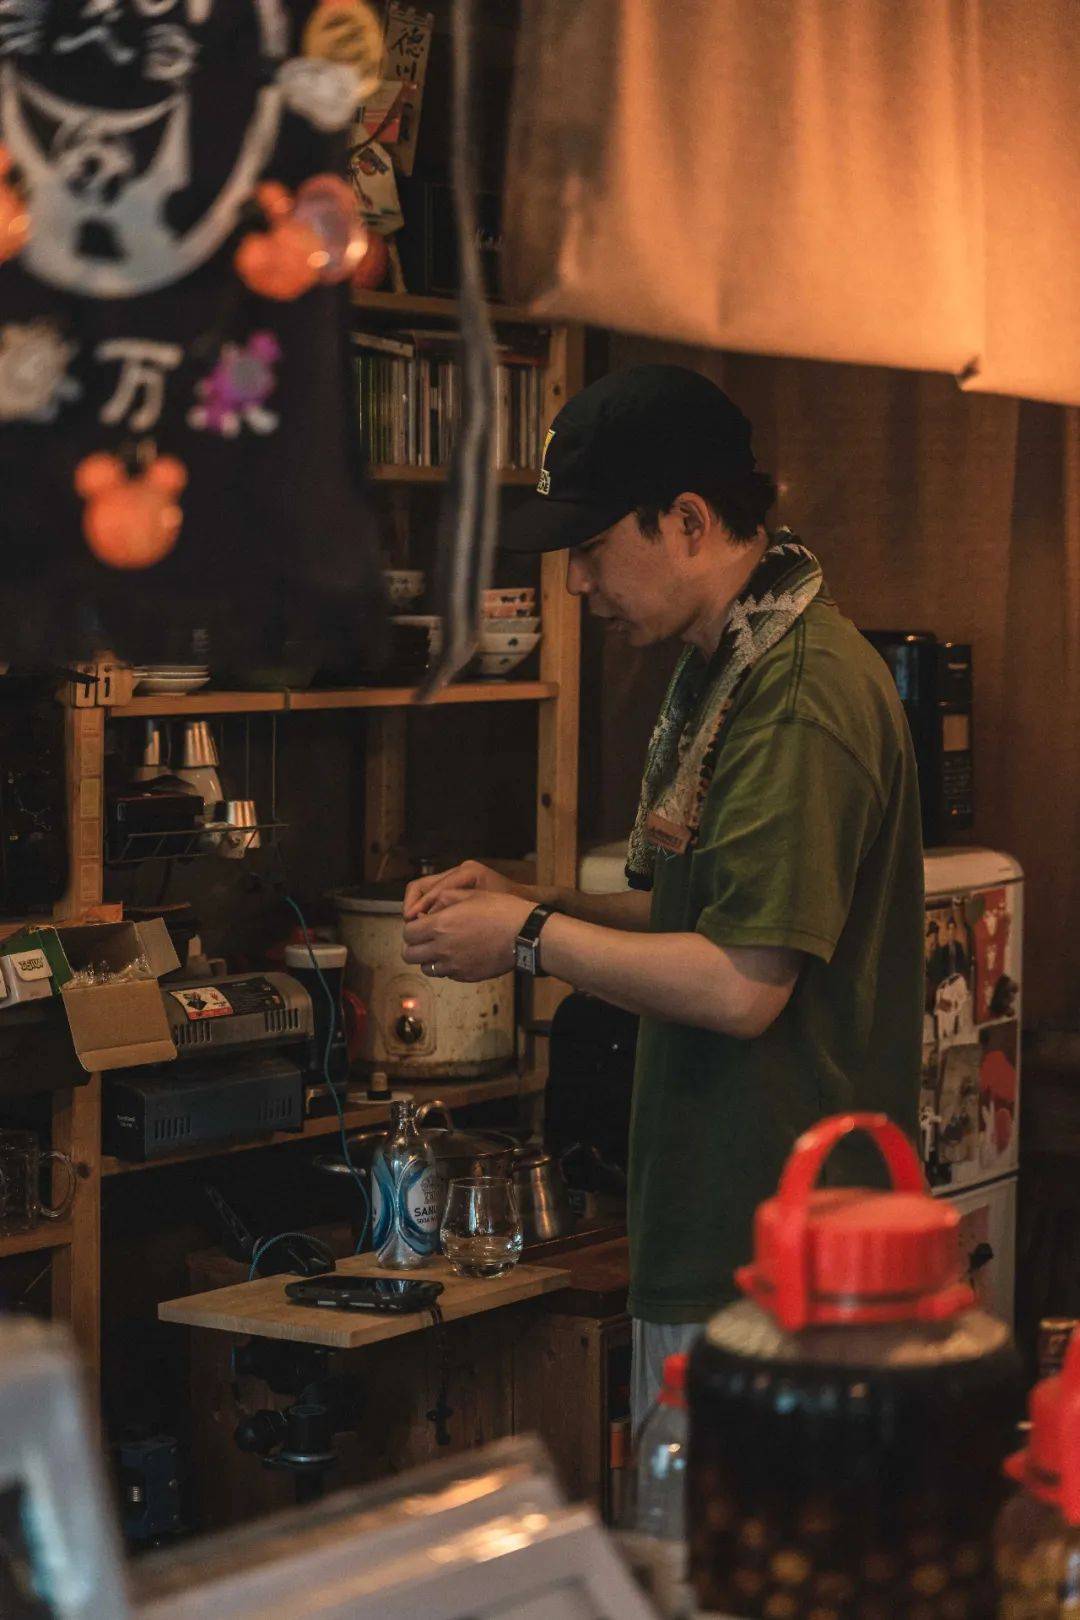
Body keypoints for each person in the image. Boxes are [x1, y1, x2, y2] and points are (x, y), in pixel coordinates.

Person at [402, 365, 925, 1428]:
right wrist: (535, 898)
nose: (576, 583)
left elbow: (741, 984)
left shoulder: (796, 695)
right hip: (730, 1238)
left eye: (593, 548)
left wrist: (529, 938)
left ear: (688, 522)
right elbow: (707, 921)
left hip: (783, 1269)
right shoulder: (733, 664)